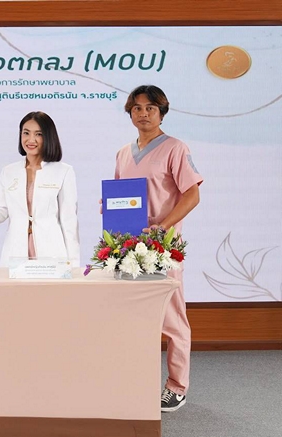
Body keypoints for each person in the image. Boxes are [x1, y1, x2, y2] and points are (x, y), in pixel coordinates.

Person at [115, 85, 203, 412]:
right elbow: (121, 197)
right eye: (137, 108)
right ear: (130, 113)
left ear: (162, 112)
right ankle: (136, 382)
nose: (143, 113)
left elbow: (192, 195)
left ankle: (177, 386)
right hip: (130, 247)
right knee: (133, 316)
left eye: (150, 108)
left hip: (163, 247)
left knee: (172, 317)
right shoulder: (123, 153)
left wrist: (163, 227)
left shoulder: (175, 149)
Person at [0, 111, 80, 268]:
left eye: (38, 134)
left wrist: (74, 266)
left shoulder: (63, 171)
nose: (31, 140)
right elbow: (0, 212)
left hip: (51, 252)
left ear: (48, 137)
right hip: (16, 251)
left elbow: (69, 222)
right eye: (26, 133)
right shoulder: (9, 171)